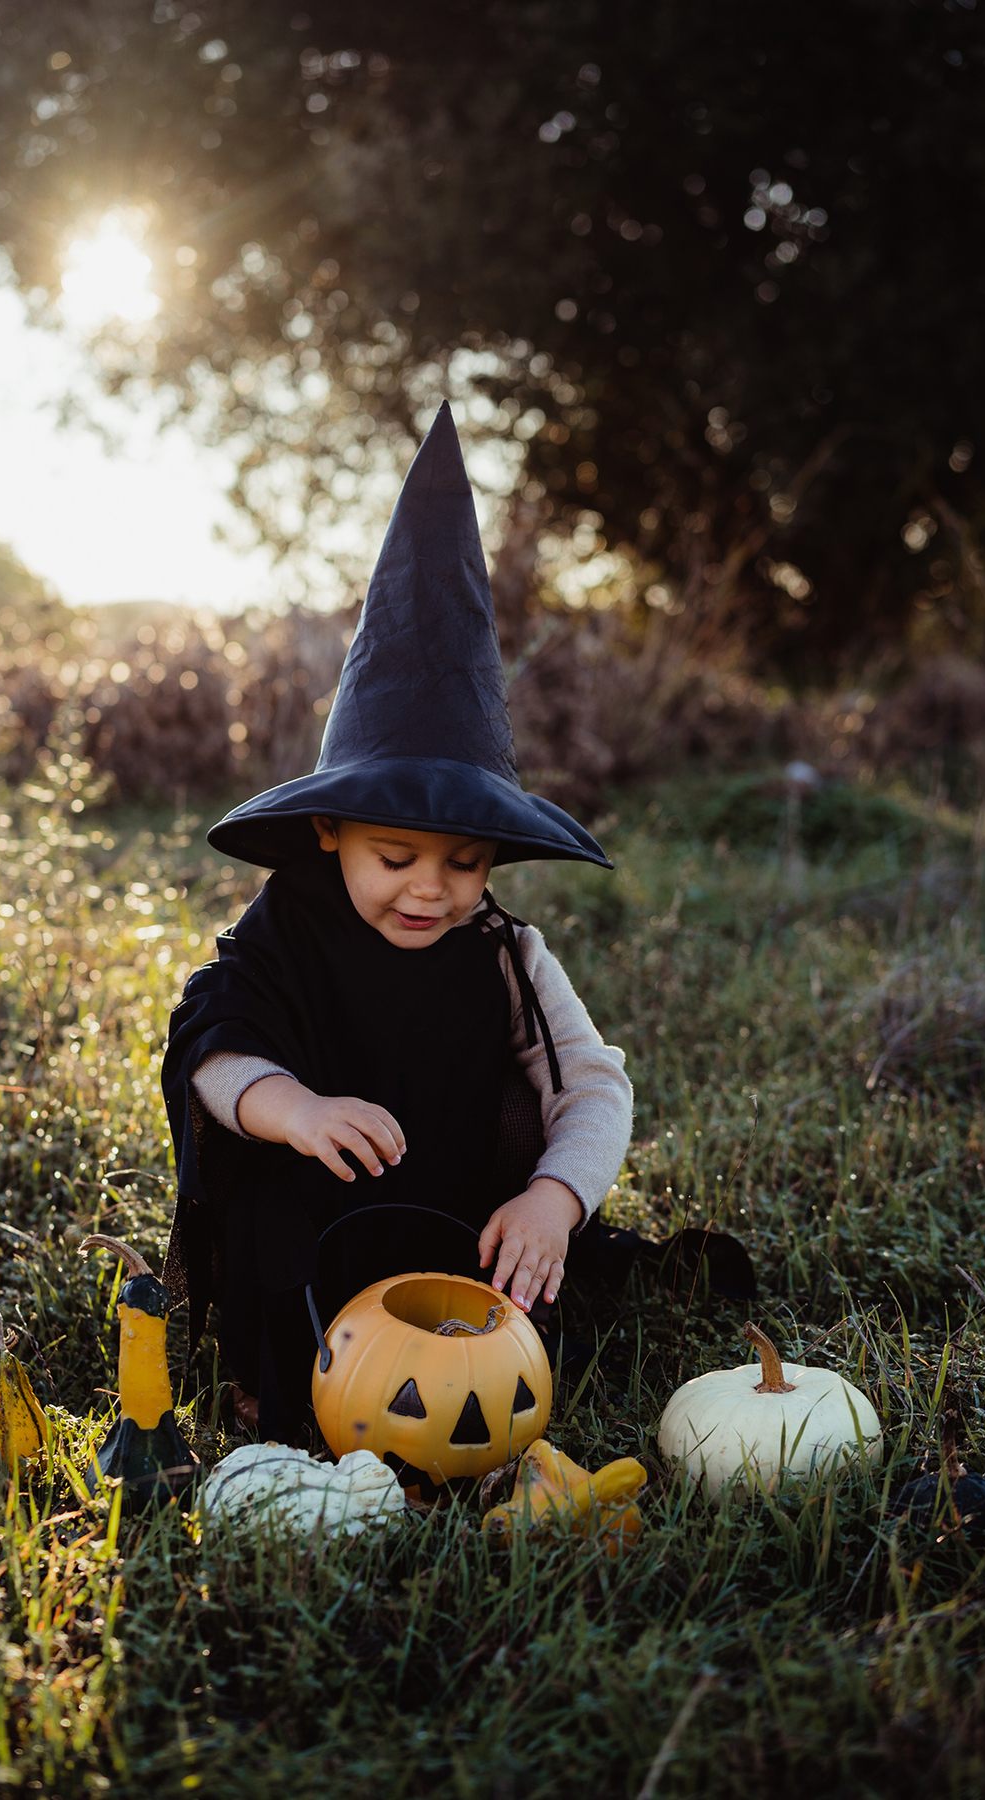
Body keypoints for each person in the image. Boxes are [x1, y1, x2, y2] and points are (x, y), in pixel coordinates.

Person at [162, 402, 633, 1443]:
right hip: (312, 1219)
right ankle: (274, 1385)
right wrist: (291, 1107)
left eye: (464, 863)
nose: (430, 890)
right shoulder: (285, 928)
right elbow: (211, 1044)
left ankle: (491, 1331)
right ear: (329, 830)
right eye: (395, 858)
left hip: (457, 1220)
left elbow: (593, 1084)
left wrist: (555, 1199)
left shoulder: (504, 952)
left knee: (521, 1218)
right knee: (264, 1188)